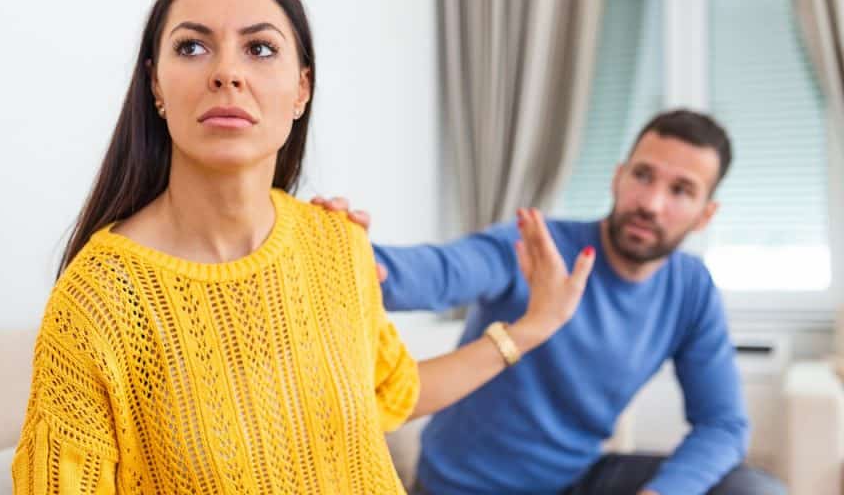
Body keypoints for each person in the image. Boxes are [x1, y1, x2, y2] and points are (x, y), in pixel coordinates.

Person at [11, 0, 595, 495]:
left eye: (260, 49)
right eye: (192, 47)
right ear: (156, 86)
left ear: (302, 88)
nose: (227, 73)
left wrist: (533, 327)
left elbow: (393, 394)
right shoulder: (100, 300)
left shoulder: (336, 243)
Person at [318, 109, 786, 494]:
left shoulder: (691, 289)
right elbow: (437, 272)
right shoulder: (536, 246)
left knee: (753, 491)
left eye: (680, 190)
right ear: (618, 178)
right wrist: (345, 254)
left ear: (706, 214)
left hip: (575, 481)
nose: (652, 203)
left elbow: (723, 425)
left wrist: (664, 493)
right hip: (465, 488)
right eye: (642, 176)